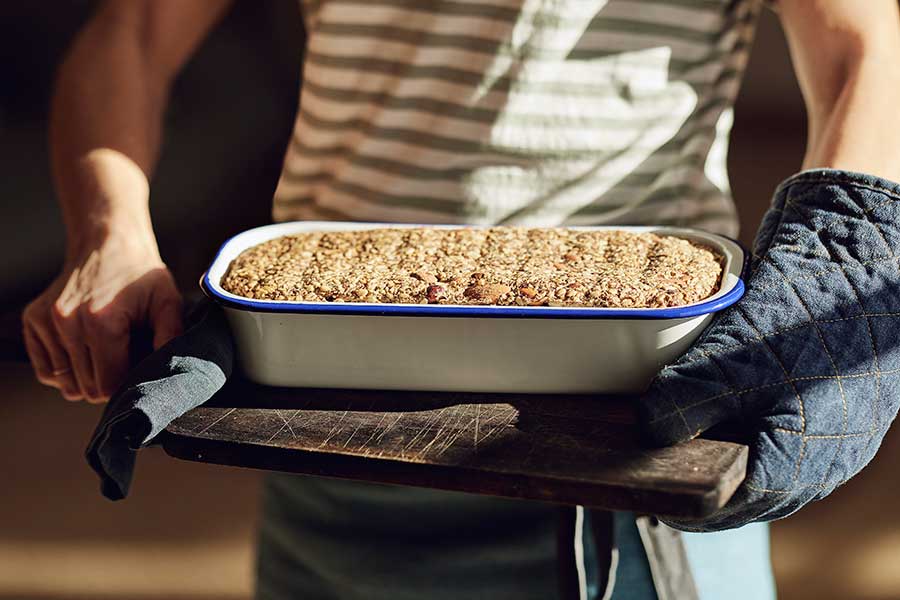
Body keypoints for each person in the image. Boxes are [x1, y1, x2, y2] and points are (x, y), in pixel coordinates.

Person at [22, 0, 900, 598]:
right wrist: (111, 234)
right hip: (315, 421)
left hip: (629, 435)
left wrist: (849, 249)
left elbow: (862, 42)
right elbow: (133, 30)